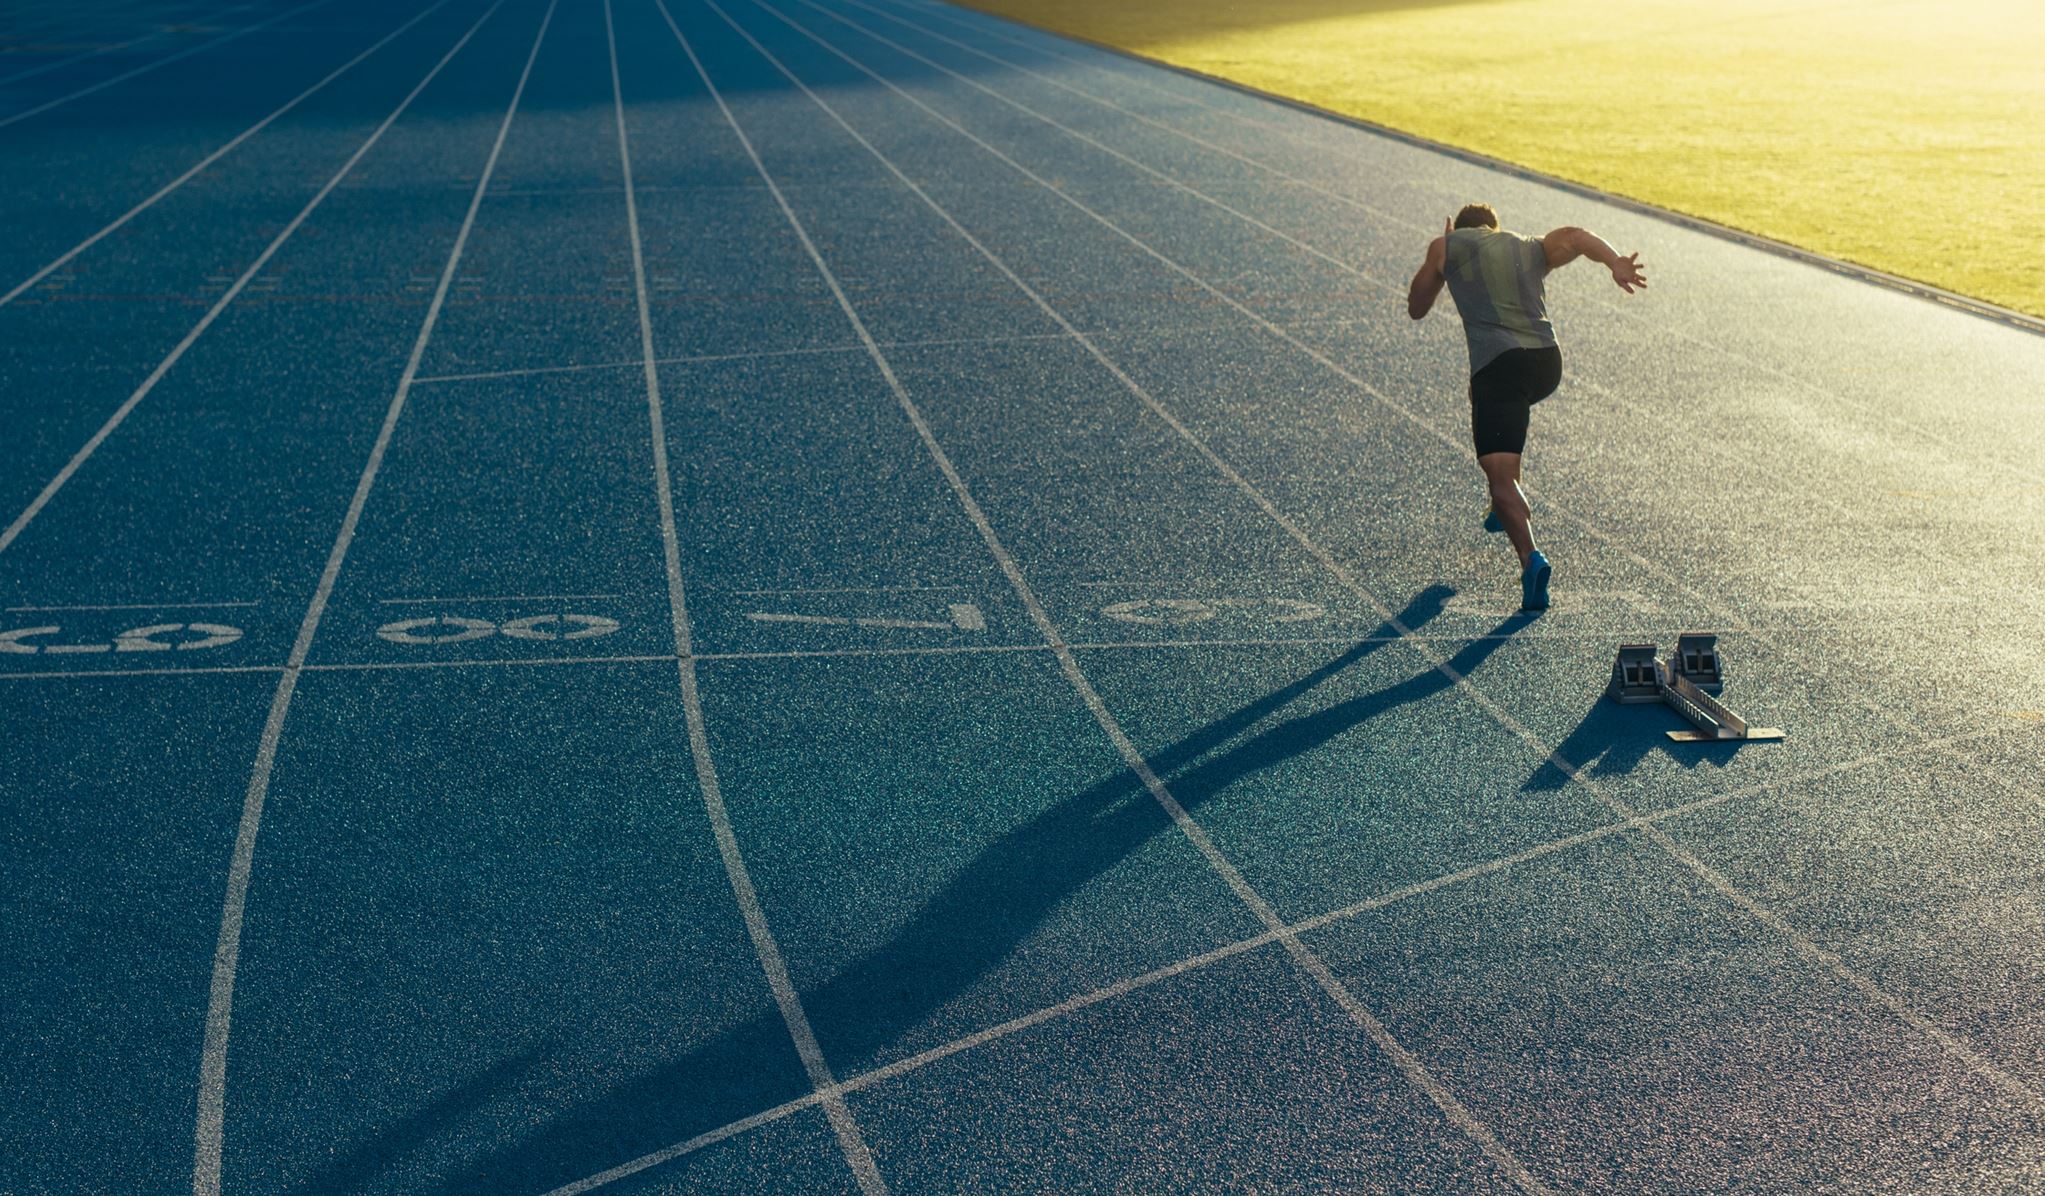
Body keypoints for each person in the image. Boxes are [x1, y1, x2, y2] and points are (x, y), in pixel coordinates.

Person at [1406, 203, 1646, 610]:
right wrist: (1615, 262)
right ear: (1494, 228)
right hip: (1546, 363)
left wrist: (1442, 255)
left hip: (1500, 367)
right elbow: (1575, 234)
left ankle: (1530, 557)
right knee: (1486, 405)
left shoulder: (1447, 245)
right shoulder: (1527, 245)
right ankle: (1502, 505)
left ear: (1460, 230)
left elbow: (1417, 306)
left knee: (1500, 477)